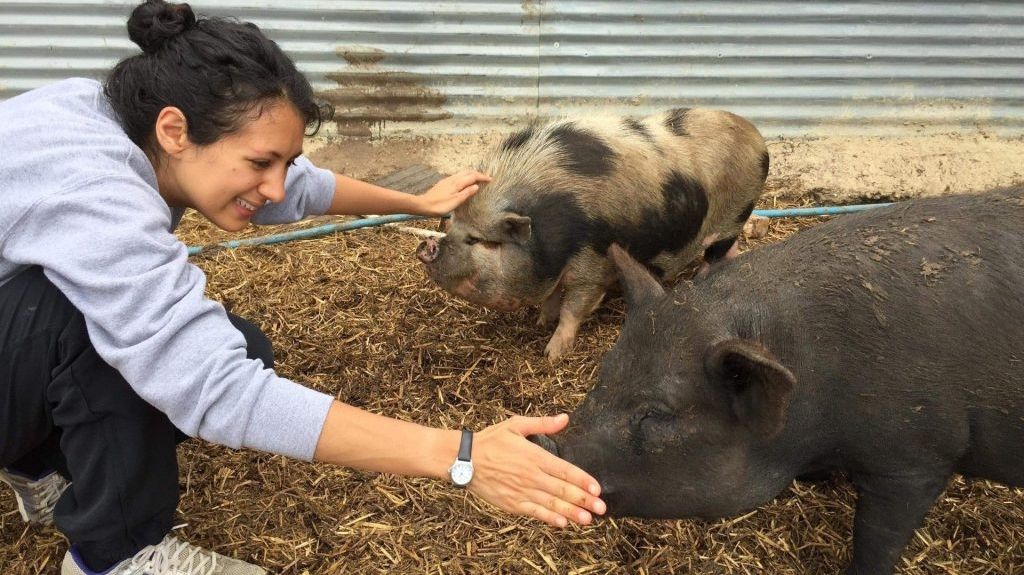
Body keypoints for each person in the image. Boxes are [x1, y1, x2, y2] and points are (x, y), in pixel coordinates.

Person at [0, 2, 606, 574]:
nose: (275, 186)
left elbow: (299, 187)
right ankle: (111, 557)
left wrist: (412, 202)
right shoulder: (98, 194)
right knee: (94, 330)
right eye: (261, 163)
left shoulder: (109, 112)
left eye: (283, 163)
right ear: (174, 129)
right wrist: (462, 456)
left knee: (240, 346)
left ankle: (32, 460)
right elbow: (213, 390)